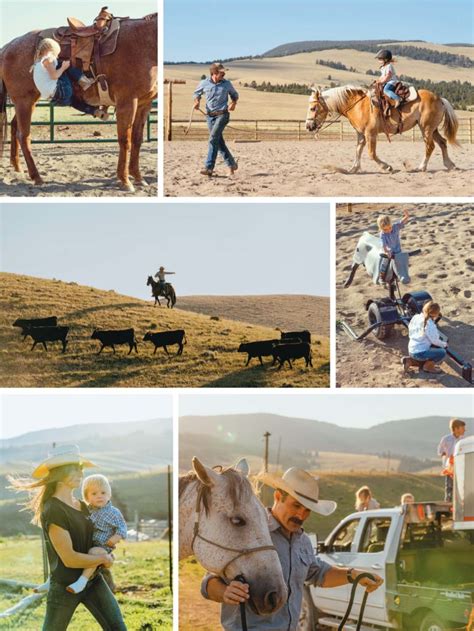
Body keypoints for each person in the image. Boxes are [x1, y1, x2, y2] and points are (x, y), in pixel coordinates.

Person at [200, 467, 383, 630]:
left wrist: (353, 575)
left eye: (307, 510)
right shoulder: (251, 532)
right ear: (278, 497)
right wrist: (225, 592)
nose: (301, 515)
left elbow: (318, 573)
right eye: (296, 506)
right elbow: (208, 582)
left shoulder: (302, 541)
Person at [8, 445, 126, 631]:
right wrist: (102, 559)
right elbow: (69, 558)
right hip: (65, 586)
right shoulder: (53, 509)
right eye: (75, 468)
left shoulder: (81, 504)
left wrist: (107, 555)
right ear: (60, 473)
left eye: (81, 468)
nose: (81, 473)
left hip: (93, 581)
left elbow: (94, 539)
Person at [67, 474, 128, 594]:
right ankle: (54, 579)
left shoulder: (113, 512)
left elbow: (122, 528)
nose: (99, 496)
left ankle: (82, 581)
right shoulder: (87, 510)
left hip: (102, 546)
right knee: (68, 549)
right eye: (94, 494)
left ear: (109, 495)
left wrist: (116, 537)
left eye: (103, 493)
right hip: (87, 543)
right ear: (87, 497)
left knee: (94, 553)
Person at [31, 38, 108, 120]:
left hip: (54, 99)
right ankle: (83, 81)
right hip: (61, 91)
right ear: (50, 50)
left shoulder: (36, 64)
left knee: (73, 102)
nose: (55, 56)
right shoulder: (48, 59)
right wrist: (63, 67)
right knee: (62, 64)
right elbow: (54, 76)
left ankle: (95, 111)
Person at [193, 63, 239, 177]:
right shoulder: (204, 83)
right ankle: (232, 165)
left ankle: (209, 168)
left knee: (213, 139)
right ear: (214, 73)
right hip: (209, 116)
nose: (224, 74)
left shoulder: (227, 84)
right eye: (221, 72)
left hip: (223, 115)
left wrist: (233, 103)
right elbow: (196, 93)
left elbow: (235, 95)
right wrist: (197, 101)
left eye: (224, 72)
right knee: (219, 142)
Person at [404, 300, 447, 374]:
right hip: (419, 353)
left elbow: (410, 328)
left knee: (425, 351)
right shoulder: (430, 325)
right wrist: (444, 344)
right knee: (442, 352)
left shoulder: (416, 317)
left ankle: (410, 361)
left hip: (411, 349)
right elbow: (435, 341)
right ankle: (428, 367)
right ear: (436, 314)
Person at [438, 418, 466, 502]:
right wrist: (446, 461)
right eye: (463, 428)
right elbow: (440, 451)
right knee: (449, 485)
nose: (465, 430)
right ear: (456, 428)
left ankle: (460, 502)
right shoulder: (446, 439)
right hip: (450, 466)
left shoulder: (463, 441)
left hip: (460, 466)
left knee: (460, 485)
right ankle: (448, 501)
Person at [377, 210, 410, 280]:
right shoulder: (382, 234)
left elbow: (401, 222)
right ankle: (381, 275)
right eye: (385, 229)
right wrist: (386, 251)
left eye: (389, 228)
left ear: (391, 224)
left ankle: (402, 274)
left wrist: (406, 216)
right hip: (389, 251)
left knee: (401, 260)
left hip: (397, 249)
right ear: (381, 229)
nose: (388, 230)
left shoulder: (395, 227)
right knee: (385, 262)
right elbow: (384, 245)